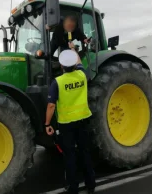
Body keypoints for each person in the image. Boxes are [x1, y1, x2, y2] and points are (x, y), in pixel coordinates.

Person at [45, 42, 96, 194]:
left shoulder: (58, 82)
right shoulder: (82, 74)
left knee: (70, 155)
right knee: (85, 152)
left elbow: (51, 106)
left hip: (66, 124)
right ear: (74, 63)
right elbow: (79, 62)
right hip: (83, 120)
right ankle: (91, 184)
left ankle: (73, 188)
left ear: (61, 65)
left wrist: (47, 123)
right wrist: (73, 49)